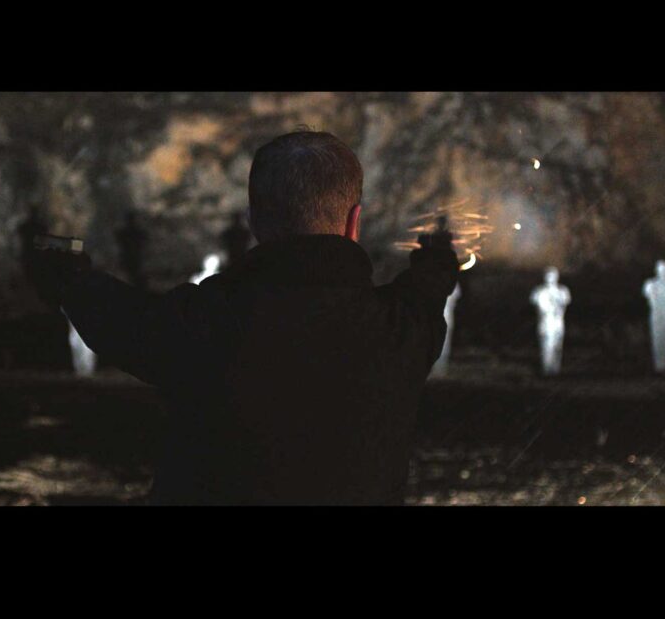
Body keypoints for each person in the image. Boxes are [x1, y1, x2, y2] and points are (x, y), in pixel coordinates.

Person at [38, 131, 458, 505]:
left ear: (254, 221)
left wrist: (70, 276)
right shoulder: (401, 329)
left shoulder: (204, 322)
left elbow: (118, 318)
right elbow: (426, 290)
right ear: (354, 222)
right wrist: (437, 260)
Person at [530, 267, 572, 376]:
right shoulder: (539, 292)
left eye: (553, 276)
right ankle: (546, 370)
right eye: (548, 276)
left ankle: (555, 370)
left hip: (558, 322)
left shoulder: (562, 292)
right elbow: (537, 303)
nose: (550, 278)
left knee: (558, 346)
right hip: (545, 322)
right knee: (546, 346)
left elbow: (565, 302)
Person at [116, 210, 149, 289]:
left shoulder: (125, 232)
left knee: (133, 274)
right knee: (133, 273)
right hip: (132, 256)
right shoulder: (129, 232)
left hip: (132, 256)